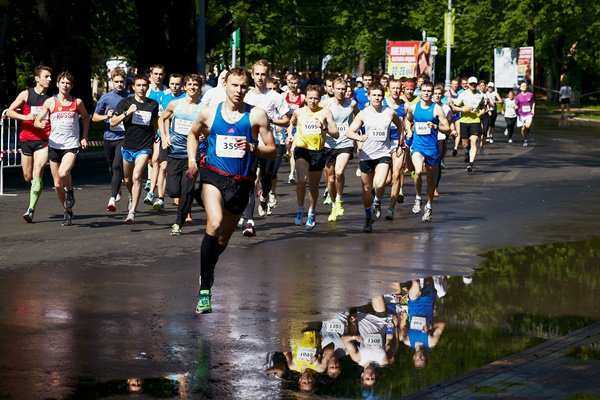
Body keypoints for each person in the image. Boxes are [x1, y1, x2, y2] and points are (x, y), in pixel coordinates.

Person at [186, 68, 275, 314]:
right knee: (213, 223)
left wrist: (253, 147)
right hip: (213, 176)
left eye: (243, 86)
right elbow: (192, 135)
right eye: (234, 85)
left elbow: (272, 149)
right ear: (225, 85)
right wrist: (192, 161)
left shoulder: (256, 116)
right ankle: (205, 290)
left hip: (241, 182)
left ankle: (209, 267)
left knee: (223, 239)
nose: (239, 91)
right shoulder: (209, 113)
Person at [240, 59, 290, 236]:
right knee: (251, 180)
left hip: (270, 143)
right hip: (251, 144)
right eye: (257, 74)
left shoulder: (275, 96)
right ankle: (249, 220)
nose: (260, 78)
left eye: (263, 74)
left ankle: (265, 195)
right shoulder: (246, 95)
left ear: (268, 76)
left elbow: (287, 120)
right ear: (252, 75)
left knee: (268, 178)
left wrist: (271, 120)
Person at [34, 71, 89, 226]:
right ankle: (67, 210)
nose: (65, 85)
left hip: (71, 145)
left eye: (68, 83)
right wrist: (40, 124)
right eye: (63, 82)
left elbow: (85, 118)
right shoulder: (50, 102)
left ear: (72, 86)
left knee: (63, 172)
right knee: (57, 184)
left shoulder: (77, 102)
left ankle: (70, 191)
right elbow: (37, 120)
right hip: (54, 145)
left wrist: (84, 136)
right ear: (58, 84)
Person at [346, 83, 403, 232]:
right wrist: (359, 137)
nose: (377, 98)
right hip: (366, 155)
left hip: (383, 154)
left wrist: (398, 142)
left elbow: (400, 126)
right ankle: (367, 217)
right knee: (366, 189)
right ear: (369, 96)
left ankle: (377, 201)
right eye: (374, 95)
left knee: (379, 184)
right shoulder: (363, 114)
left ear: (383, 97)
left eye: (379, 95)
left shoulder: (389, 113)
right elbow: (349, 132)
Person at [110, 74, 160, 224]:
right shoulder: (126, 102)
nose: (141, 88)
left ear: (148, 87)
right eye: (138, 85)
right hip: (128, 146)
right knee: (127, 179)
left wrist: (158, 139)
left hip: (144, 146)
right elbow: (113, 122)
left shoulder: (153, 104)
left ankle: (132, 212)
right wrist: (128, 112)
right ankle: (132, 195)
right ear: (133, 87)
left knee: (137, 176)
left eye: (144, 85)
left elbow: (155, 124)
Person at [287, 84, 338, 230]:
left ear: (320, 98)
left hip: (318, 151)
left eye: (316, 98)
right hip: (302, 149)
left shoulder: (325, 112)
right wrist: (290, 135)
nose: (313, 101)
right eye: (310, 98)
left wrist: (324, 128)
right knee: (301, 180)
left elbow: (336, 133)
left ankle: (311, 211)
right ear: (305, 98)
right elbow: (291, 124)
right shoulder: (299, 112)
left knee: (313, 185)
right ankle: (300, 209)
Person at [158, 74, 203, 235]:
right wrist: (164, 137)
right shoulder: (175, 104)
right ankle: (195, 195)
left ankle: (178, 223)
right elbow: (162, 119)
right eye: (189, 84)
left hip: (192, 156)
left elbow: (210, 128)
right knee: (173, 190)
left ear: (199, 87)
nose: (192, 87)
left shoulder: (203, 108)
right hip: (174, 153)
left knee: (186, 191)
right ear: (185, 87)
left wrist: (205, 133)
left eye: (195, 84)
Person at [6, 65, 52, 222]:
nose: (49, 79)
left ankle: (30, 210)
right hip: (26, 139)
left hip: (43, 141)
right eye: (46, 76)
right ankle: (36, 186)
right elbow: (9, 111)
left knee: (37, 171)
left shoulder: (50, 100)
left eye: (50, 77)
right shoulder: (26, 94)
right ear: (37, 78)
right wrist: (26, 118)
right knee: (27, 176)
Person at [405, 82, 450, 222]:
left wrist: (436, 126)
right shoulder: (413, 107)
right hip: (417, 146)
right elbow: (408, 120)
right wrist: (408, 131)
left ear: (432, 93)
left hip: (432, 149)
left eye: (429, 91)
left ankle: (429, 206)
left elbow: (447, 128)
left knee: (431, 181)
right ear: (420, 92)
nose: (426, 93)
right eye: (424, 90)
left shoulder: (437, 109)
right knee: (418, 171)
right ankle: (418, 197)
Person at [92, 68, 129, 212]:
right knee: (111, 167)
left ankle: (112, 199)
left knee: (116, 166)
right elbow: (94, 117)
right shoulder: (106, 98)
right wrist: (107, 117)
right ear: (112, 82)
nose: (119, 84)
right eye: (116, 82)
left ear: (125, 82)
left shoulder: (130, 97)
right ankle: (117, 187)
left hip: (123, 137)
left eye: (122, 81)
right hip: (108, 137)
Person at [147, 73, 186, 210]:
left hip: (181, 139)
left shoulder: (186, 98)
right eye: (172, 84)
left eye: (177, 84)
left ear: (182, 85)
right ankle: (160, 197)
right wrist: (163, 136)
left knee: (177, 168)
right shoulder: (164, 97)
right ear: (168, 84)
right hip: (165, 137)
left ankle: (178, 195)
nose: (175, 87)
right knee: (161, 165)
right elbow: (161, 118)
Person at [323, 77, 357, 222]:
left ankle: (339, 199)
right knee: (330, 180)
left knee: (339, 171)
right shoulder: (326, 104)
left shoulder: (352, 104)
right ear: (333, 89)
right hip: (329, 144)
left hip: (346, 143)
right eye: (338, 89)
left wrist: (356, 134)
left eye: (344, 89)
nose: (341, 92)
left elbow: (359, 117)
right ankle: (333, 203)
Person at [400, 279, 446, 368]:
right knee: (427, 271)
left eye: (418, 359)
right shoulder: (431, 342)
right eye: (422, 359)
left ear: (413, 357)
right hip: (427, 301)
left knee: (416, 282)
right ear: (426, 357)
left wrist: (403, 319)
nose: (420, 357)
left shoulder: (407, 341)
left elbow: (402, 327)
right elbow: (442, 325)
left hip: (413, 304)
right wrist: (430, 327)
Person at [383, 78, 407, 220]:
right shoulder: (383, 103)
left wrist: (408, 130)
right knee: (385, 179)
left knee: (397, 174)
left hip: (398, 142)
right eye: (393, 88)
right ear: (389, 89)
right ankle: (376, 197)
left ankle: (391, 208)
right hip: (383, 143)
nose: (396, 91)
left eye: (398, 88)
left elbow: (408, 121)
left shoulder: (405, 106)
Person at [451, 76, 485, 173]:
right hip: (464, 121)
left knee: (474, 141)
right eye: (471, 84)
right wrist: (463, 109)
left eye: (475, 84)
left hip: (475, 121)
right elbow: (454, 107)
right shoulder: (463, 94)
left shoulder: (481, 95)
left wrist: (480, 113)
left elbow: (483, 107)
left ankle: (470, 163)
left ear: (476, 84)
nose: (473, 85)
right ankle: (467, 150)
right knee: (465, 143)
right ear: (468, 85)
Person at [143, 65, 167, 205]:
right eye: (156, 74)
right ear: (151, 75)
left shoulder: (166, 91)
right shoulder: (147, 90)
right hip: (148, 129)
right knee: (149, 158)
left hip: (161, 129)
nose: (158, 76)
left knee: (156, 159)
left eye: (161, 74)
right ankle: (150, 180)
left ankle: (152, 184)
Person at [283, 72, 306, 185]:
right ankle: (286, 152)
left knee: (293, 150)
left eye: (295, 83)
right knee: (288, 148)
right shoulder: (283, 96)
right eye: (291, 83)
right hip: (285, 126)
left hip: (297, 126)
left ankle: (292, 174)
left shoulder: (302, 97)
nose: (293, 85)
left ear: (299, 84)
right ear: (288, 83)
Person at [515, 82, 535, 147]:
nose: (523, 86)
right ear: (520, 87)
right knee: (523, 129)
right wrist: (515, 107)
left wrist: (533, 110)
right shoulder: (518, 96)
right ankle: (525, 139)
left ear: (527, 87)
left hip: (529, 113)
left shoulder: (530, 94)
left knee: (528, 126)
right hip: (521, 114)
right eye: (522, 86)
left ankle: (527, 130)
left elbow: (533, 102)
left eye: (525, 85)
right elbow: (516, 104)